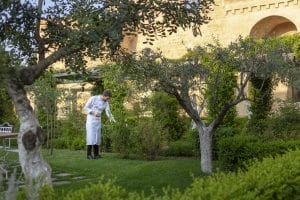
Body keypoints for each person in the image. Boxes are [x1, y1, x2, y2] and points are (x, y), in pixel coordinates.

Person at [83, 90, 116, 159]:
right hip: (91, 121)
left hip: (98, 121)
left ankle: (96, 154)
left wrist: (113, 120)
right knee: (90, 137)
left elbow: (108, 112)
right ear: (104, 96)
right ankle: (88, 155)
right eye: (107, 98)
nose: (108, 100)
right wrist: (93, 113)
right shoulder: (93, 98)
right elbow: (85, 108)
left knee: (97, 137)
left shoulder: (106, 102)